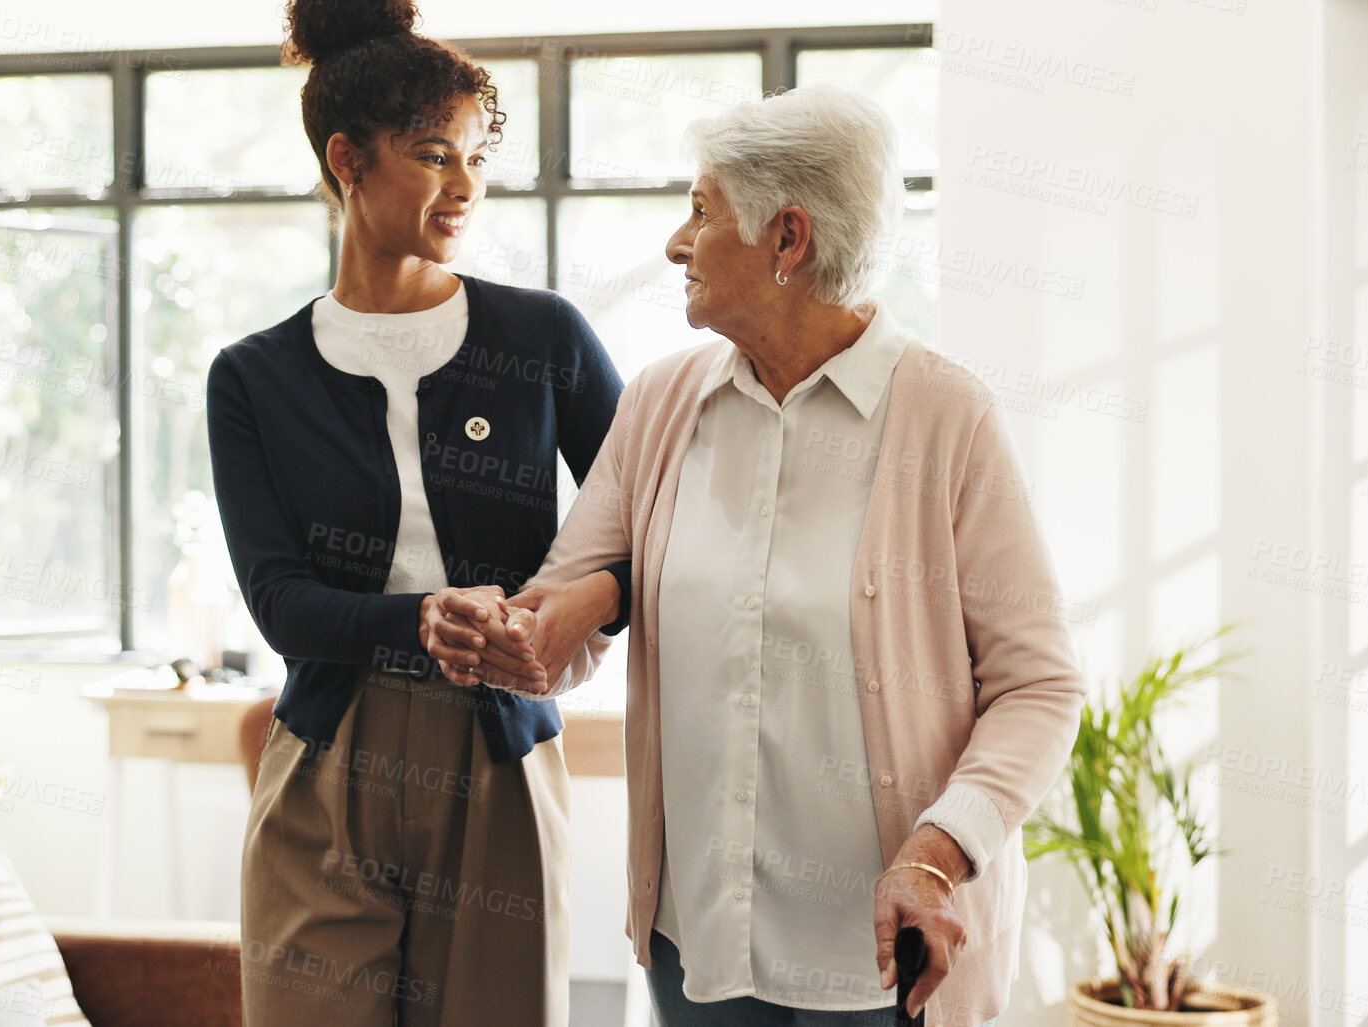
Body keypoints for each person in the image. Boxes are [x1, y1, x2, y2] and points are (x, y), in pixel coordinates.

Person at [430, 83, 1084, 1027]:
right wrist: (514, 631)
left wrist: (936, 851)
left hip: (879, 968)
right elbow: (565, 612)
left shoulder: (946, 419)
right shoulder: (660, 404)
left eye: (700, 210)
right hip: (697, 949)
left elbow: (1039, 684)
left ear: (787, 239)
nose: (675, 242)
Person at [205, 2, 630, 1024]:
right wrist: (417, 618)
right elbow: (279, 600)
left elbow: (655, 521)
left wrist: (586, 608)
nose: (464, 185)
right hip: (326, 754)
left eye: (477, 157)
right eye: (434, 154)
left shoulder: (543, 338)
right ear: (347, 159)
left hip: (498, 752)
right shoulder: (253, 376)